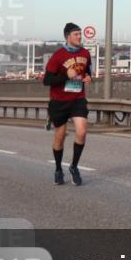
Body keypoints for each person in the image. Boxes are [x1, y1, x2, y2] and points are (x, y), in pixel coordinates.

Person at [42, 22, 92, 186]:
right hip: (59, 101)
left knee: (82, 131)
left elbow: (88, 71)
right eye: (76, 34)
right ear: (67, 37)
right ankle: (58, 169)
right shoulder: (58, 56)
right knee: (60, 135)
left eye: (80, 34)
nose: (79, 37)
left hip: (78, 98)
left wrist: (88, 77)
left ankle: (74, 167)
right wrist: (66, 76)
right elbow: (47, 80)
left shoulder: (85, 53)